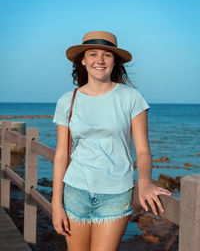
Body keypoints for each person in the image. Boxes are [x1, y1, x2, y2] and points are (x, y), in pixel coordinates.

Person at [52, 31, 172, 251]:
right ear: (83, 59)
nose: (100, 60)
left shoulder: (131, 98)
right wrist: (56, 205)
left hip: (115, 194)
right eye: (93, 54)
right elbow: (61, 155)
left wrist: (144, 181)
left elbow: (143, 150)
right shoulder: (67, 101)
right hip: (75, 191)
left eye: (107, 55)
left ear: (114, 61)